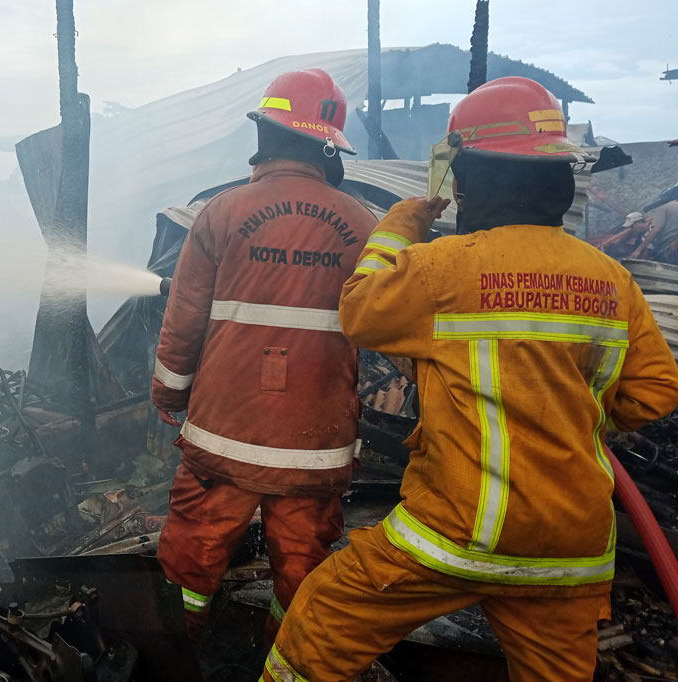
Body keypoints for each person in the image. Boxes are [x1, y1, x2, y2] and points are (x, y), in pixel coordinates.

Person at [263, 76, 678, 682]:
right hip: (571, 552)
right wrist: (569, 416)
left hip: (457, 533)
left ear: (471, 178)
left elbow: (359, 311)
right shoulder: (611, 279)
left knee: (325, 617)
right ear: (557, 177)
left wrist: (396, 230)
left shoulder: (445, 268)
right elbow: (654, 391)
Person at [151, 68, 377, 642]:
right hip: (314, 445)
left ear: (265, 134)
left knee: (192, 559)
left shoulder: (222, 212)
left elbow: (183, 321)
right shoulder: (361, 225)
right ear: (329, 147)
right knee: (304, 571)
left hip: (225, 433)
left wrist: (169, 393)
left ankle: (178, 652)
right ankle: (283, 661)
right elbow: (382, 330)